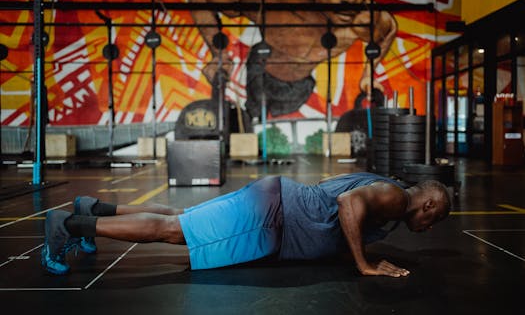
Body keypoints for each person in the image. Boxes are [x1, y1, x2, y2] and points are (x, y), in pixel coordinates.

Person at [41, 172, 451, 277]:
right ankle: (68, 226)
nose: (430, 227)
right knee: (175, 232)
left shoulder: (388, 189)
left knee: (181, 218)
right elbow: (345, 202)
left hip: (274, 201)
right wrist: (362, 263)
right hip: (272, 216)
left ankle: (91, 208)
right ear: (428, 202)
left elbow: (330, 192)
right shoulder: (396, 198)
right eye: (436, 217)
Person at [186, 0, 397, 118]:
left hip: (301, 88)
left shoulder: (365, 18)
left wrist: (369, 74)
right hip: (260, 73)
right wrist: (218, 54)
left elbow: (388, 31)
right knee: (254, 117)